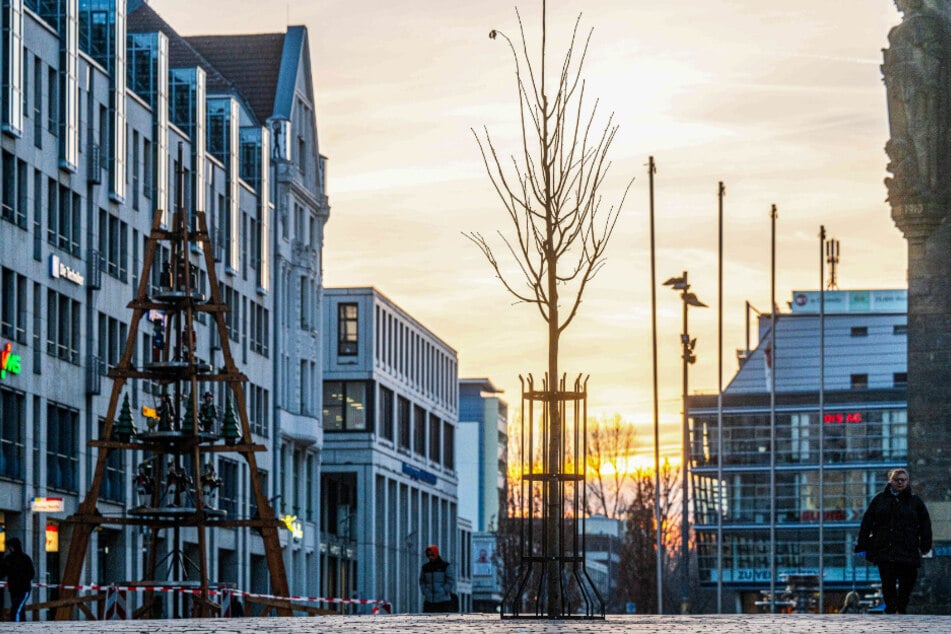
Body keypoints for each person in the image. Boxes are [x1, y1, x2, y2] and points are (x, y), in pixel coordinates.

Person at [854, 467, 932, 614]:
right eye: (897, 480)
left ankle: (901, 608)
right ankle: (891, 608)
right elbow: (867, 523)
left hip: (907, 549)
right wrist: (862, 545)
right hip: (885, 549)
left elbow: (925, 524)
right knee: (888, 582)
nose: (901, 483)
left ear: (908, 482)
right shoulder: (879, 499)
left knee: (907, 582)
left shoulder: (915, 501)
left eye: (904, 480)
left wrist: (925, 545)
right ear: (891, 481)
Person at [0, 537, 35, 621]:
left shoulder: (24, 558)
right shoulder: (9, 558)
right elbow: (3, 571)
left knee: (15, 610)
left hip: (23, 589)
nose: (10, 548)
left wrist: (23, 580)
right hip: (14, 589)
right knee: (20, 609)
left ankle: (16, 626)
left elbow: (31, 573)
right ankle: (22, 626)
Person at [418, 544, 455, 613]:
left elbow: (450, 580)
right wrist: (425, 591)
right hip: (429, 600)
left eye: (432, 555)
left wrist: (444, 590)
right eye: (428, 555)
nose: (430, 557)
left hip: (443, 601)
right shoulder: (425, 567)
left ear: (436, 554)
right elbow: (422, 581)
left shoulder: (445, 566)